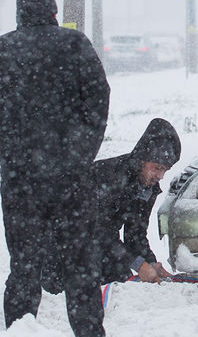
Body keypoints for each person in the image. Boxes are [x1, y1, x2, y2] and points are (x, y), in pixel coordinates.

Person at [0, 0, 110, 337]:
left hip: (21, 181)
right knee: (80, 267)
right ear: (54, 12)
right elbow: (99, 100)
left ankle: (20, 329)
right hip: (71, 179)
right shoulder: (76, 46)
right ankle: (89, 332)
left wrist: (8, 153)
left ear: (18, 15)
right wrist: (81, 153)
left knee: (25, 266)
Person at [41, 118, 181, 293]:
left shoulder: (147, 188)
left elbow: (135, 235)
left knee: (120, 286)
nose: (160, 176)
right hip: (65, 240)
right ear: (143, 159)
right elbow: (96, 230)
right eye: (157, 168)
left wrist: (151, 264)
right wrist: (139, 265)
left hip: (102, 246)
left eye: (165, 170)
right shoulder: (110, 178)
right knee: (72, 294)